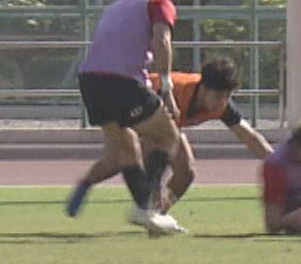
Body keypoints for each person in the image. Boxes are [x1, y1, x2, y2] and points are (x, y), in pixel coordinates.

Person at [69, 0, 188, 235]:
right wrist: (167, 87)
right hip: (121, 81)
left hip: (90, 80)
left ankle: (145, 210)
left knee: (126, 146)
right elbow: (162, 41)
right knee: (167, 135)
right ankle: (147, 207)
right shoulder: (158, 3)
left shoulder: (118, 4)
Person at [65, 57, 272, 216]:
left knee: (186, 171)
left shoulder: (223, 106)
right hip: (130, 106)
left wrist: (277, 162)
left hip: (164, 128)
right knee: (118, 161)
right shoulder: (176, 91)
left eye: (228, 97)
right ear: (203, 88)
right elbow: (152, 144)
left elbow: (250, 137)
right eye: (218, 96)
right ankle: (86, 184)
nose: (222, 102)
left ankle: (157, 213)